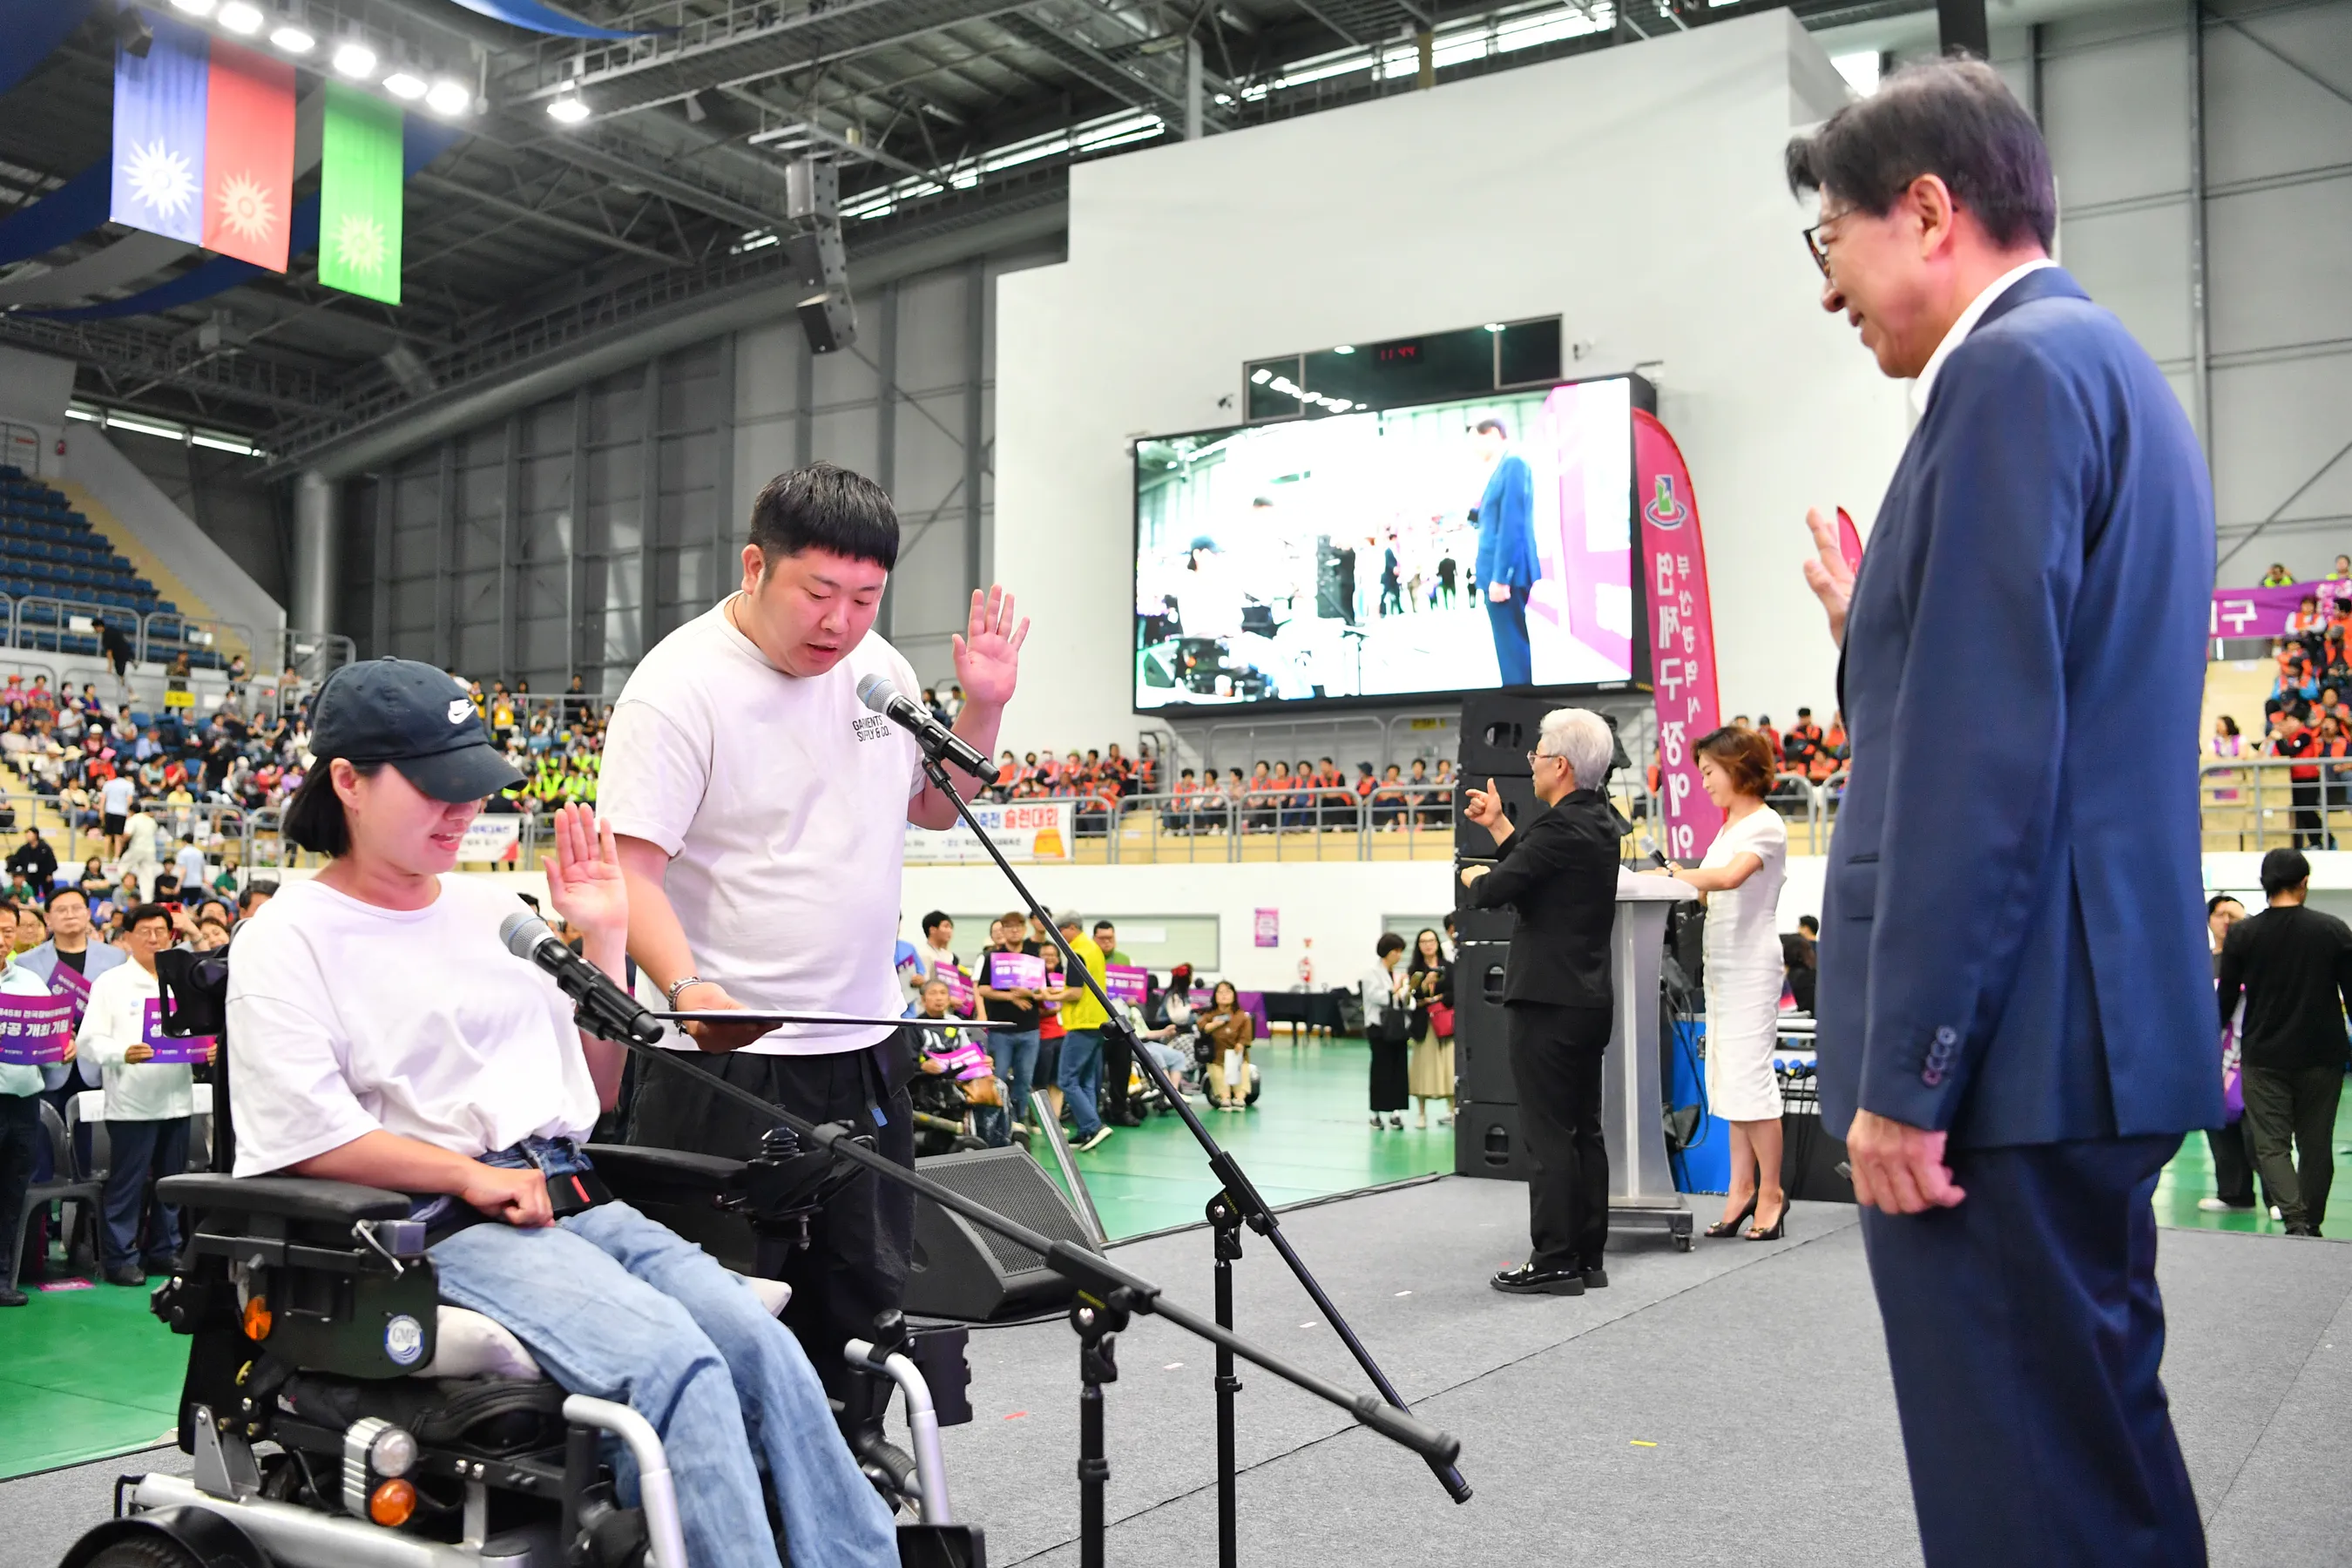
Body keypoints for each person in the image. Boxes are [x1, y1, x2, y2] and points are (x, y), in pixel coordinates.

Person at [1789, 59, 2217, 1565]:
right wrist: (1877, 633)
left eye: (1826, 240)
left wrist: (1909, 1075)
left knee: (2020, 1493)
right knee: (2094, 1459)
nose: (1831, 291)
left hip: (2007, 1065)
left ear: (1923, 211)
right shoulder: (2104, 369)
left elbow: (1983, 762)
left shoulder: (2005, 376)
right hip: (2084, 1032)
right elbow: (2050, 696)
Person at [225, 661, 894, 1568]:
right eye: (435, 789)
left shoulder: (495, 911)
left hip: (563, 1191)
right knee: (673, 1364)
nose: (461, 813)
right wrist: (471, 1175)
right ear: (347, 781)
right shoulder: (288, 937)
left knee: (763, 1349)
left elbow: (599, 1092)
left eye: (472, 789)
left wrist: (603, 936)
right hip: (429, 1226)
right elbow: (307, 1138)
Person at [602, 463, 1027, 1401]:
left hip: (866, 1048)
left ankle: (853, 1511)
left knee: (864, 1311)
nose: (839, 622)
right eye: (819, 592)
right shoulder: (677, 688)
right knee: (719, 1323)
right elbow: (630, 874)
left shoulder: (880, 672)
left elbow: (932, 808)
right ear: (755, 566)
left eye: (866, 598)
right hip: (724, 1063)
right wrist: (687, 990)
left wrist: (984, 706)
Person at [1459, 707, 1624, 1295]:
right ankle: (1586, 1254)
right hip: (1586, 997)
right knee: (1584, 1129)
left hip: (1547, 999)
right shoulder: (1601, 823)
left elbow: (1502, 887)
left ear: (1559, 764)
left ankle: (1552, 1257)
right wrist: (1503, 829)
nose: (1528, 763)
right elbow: (1538, 868)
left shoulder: (1559, 830)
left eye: (1536, 754)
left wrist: (1475, 879)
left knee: (1548, 1134)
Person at [1657, 727, 1790, 1240]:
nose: (1705, 782)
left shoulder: (1767, 824)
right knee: (1730, 1082)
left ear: (1738, 767)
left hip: (1752, 968)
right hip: (1724, 966)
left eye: (1709, 771)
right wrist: (1684, 879)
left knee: (1752, 1081)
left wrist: (1680, 877)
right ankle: (1741, 1190)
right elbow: (1716, 893)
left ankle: (1772, 1192)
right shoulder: (1729, 826)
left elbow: (1732, 879)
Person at [2213, 849, 2350, 1237]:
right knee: (2316, 1143)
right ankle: (2313, 1220)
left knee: (2271, 1145)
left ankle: (2295, 1222)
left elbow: (2225, 1000)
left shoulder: (2243, 935)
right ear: (2305, 883)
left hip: (2264, 1054)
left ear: (2263, 885)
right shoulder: (2333, 930)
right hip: (2323, 1055)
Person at [79, 903, 208, 1287]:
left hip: (176, 1098)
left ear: (172, 936)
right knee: (127, 1185)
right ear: (127, 938)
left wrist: (207, 1048)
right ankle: (120, 1257)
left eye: (161, 931)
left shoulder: (183, 982)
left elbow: (198, 1031)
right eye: (144, 932)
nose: (153, 938)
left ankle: (165, 1251)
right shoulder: (111, 983)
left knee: (172, 1182)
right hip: (132, 1103)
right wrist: (121, 1053)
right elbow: (88, 1041)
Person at [1469, 418, 1538, 687]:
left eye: (1475, 440)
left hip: (1505, 576)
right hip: (1498, 574)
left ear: (1493, 434)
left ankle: (1519, 710)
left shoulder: (1514, 465)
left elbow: (1512, 524)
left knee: (1512, 650)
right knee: (1508, 648)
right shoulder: (1502, 468)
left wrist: (1501, 577)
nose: (1473, 449)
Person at [2200, 895, 2258, 1215]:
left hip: (2249, 1056)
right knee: (2220, 1126)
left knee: (2257, 1132)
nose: (2226, 921)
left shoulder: (2256, 962)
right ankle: (2233, 1194)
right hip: (2211, 1058)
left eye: (2234, 915)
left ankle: (2278, 1199)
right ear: (2210, 921)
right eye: (2220, 914)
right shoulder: (2200, 963)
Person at [1050, 912, 1113, 1151]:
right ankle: (1086, 1131)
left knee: (1067, 1080)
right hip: (1098, 1023)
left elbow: (1075, 993)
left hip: (1081, 1023)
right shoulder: (1093, 949)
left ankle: (1094, 1125)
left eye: (1058, 932)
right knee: (1086, 1080)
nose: (1057, 937)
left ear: (1070, 928)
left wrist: (1050, 994)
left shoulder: (1077, 952)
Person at [977, 913, 1044, 1138]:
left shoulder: (1034, 956)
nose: (1014, 931)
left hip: (1030, 1029)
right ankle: (998, 1124)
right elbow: (983, 989)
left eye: (1018, 926)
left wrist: (1030, 993)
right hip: (1001, 1030)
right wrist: (1011, 998)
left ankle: (1019, 1123)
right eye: (1009, 927)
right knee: (999, 1078)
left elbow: (1046, 990)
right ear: (1002, 931)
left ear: (1025, 929)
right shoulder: (993, 957)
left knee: (1025, 1080)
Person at [1362, 933, 1414, 1130]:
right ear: (1386, 952)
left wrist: (1406, 991)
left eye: (1401, 951)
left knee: (1398, 1068)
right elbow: (1376, 996)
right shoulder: (1371, 973)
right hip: (1378, 1027)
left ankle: (1396, 1112)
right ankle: (1375, 1113)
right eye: (1396, 951)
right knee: (1381, 1069)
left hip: (1398, 1027)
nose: (1399, 955)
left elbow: (1405, 999)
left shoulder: (1398, 973)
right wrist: (1396, 990)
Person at [1405, 928, 1454, 1129]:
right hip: (1424, 1026)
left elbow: (1455, 993)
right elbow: (1412, 998)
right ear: (1418, 946)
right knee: (1423, 1069)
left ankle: (1452, 1112)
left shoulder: (1449, 967)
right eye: (1423, 941)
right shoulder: (1414, 970)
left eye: (1431, 940)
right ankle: (1421, 1114)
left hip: (1445, 1025)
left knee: (1449, 1068)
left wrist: (1436, 998)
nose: (1428, 944)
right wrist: (1425, 984)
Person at [1199, 980, 1255, 1111]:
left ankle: (1240, 1098)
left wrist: (1241, 1044)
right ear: (1215, 996)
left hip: (1236, 1055)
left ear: (1234, 995)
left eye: (1228, 992)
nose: (1224, 995)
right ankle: (1224, 1098)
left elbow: (1246, 1035)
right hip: (1216, 1055)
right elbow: (1201, 1026)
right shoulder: (1210, 1014)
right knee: (1217, 1073)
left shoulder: (1242, 1016)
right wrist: (1213, 1025)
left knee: (1241, 1069)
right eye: (1220, 992)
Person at [6, 828, 55, 892]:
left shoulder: (45, 848)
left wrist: (50, 874)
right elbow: (17, 859)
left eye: (29, 835)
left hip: (44, 874)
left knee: (48, 891)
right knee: (31, 891)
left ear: (35, 835)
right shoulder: (24, 848)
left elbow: (51, 861)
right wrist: (10, 866)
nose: (27, 837)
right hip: (29, 876)